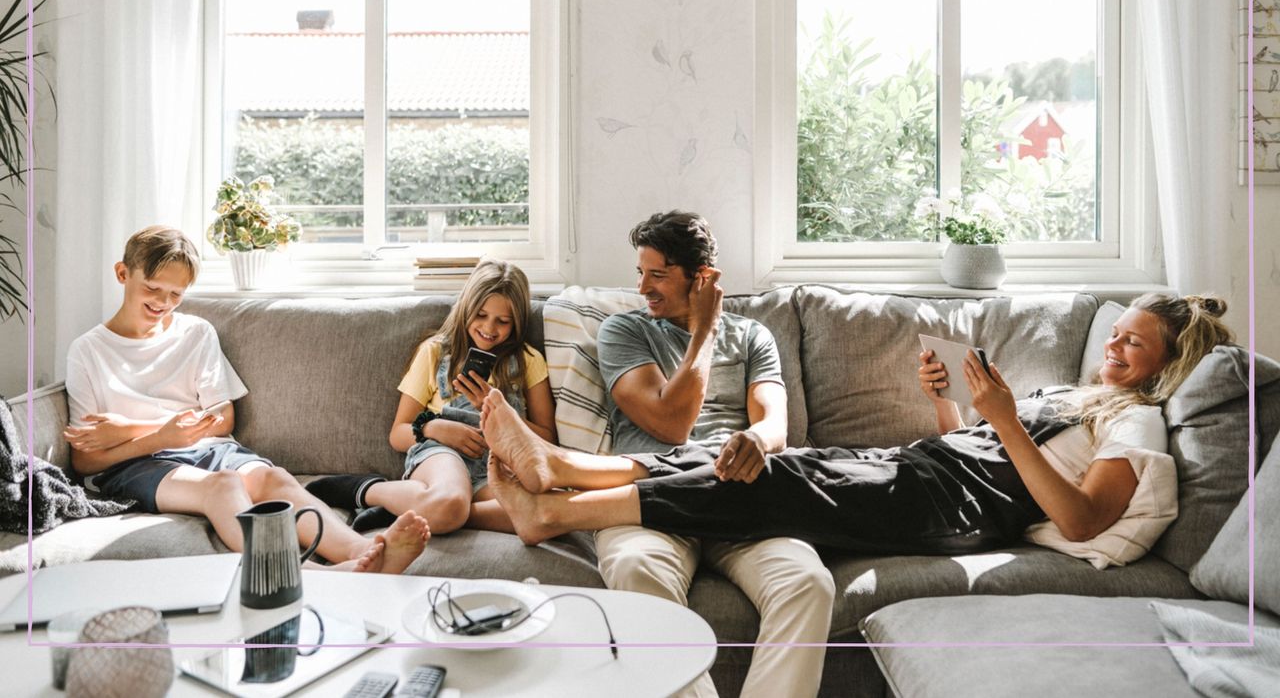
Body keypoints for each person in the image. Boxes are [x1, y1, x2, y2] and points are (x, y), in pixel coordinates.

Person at [479, 293, 1232, 558]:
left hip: (946, 508)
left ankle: (554, 499)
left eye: (1133, 342)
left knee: (758, 478)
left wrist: (1001, 418)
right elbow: (986, 447)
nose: (1114, 346)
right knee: (741, 461)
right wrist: (952, 406)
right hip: (928, 470)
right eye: (1116, 332)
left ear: (1166, 365)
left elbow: (1079, 517)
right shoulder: (1083, 395)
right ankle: (559, 477)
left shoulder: (1137, 425)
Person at [541, 211, 834, 698]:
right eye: (641, 272)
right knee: (636, 568)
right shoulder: (624, 331)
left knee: (808, 583)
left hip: (734, 492)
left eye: (657, 275)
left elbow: (774, 424)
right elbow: (670, 424)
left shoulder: (754, 336)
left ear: (702, 279)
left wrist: (757, 441)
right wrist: (705, 330)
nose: (643, 287)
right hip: (652, 499)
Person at [63, 226, 430, 574]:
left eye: (176, 295)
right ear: (122, 273)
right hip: (136, 466)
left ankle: (363, 555)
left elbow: (222, 419)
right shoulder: (88, 351)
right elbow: (85, 460)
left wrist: (136, 428)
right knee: (224, 485)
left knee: (275, 479)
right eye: (153, 288)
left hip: (209, 447)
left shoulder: (195, 332)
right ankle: (307, 573)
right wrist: (160, 439)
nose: (163, 303)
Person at [306, 258, 555, 535]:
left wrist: (498, 413)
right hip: (442, 452)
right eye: (481, 315)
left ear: (516, 322)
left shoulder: (528, 361)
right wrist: (435, 427)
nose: (490, 328)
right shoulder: (435, 353)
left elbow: (547, 438)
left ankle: (410, 506)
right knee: (450, 504)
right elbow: (398, 433)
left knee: (543, 513)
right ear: (466, 309)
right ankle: (370, 490)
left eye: (503, 321)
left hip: (498, 464)